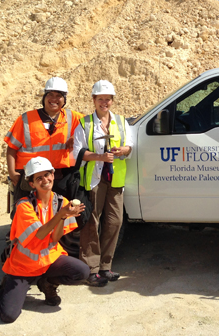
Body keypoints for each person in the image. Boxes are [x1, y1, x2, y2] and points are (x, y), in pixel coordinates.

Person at [0, 157, 90, 323]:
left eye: (47, 175)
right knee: (8, 316)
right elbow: (39, 234)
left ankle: (47, 284)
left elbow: (55, 237)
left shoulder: (62, 202)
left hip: (48, 260)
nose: (45, 180)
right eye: (39, 178)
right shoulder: (24, 206)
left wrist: (62, 217)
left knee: (82, 272)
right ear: (32, 184)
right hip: (23, 266)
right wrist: (61, 214)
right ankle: (4, 288)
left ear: (53, 175)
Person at [73, 80, 133, 287]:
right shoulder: (85, 123)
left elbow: (130, 146)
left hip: (114, 179)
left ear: (112, 101)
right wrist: (100, 157)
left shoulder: (121, 122)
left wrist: (123, 151)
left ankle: (105, 267)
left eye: (107, 99)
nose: (104, 102)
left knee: (114, 222)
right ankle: (91, 270)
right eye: (100, 99)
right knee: (92, 223)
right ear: (93, 100)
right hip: (94, 180)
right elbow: (78, 153)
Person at [4, 77, 83, 216]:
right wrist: (12, 172)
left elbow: (92, 128)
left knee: (56, 213)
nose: (54, 99)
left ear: (64, 99)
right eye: (50, 95)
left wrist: (74, 137)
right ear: (44, 97)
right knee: (25, 212)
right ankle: (18, 236)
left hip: (58, 175)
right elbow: (11, 148)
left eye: (59, 95)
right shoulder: (26, 119)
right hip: (29, 176)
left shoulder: (73, 117)